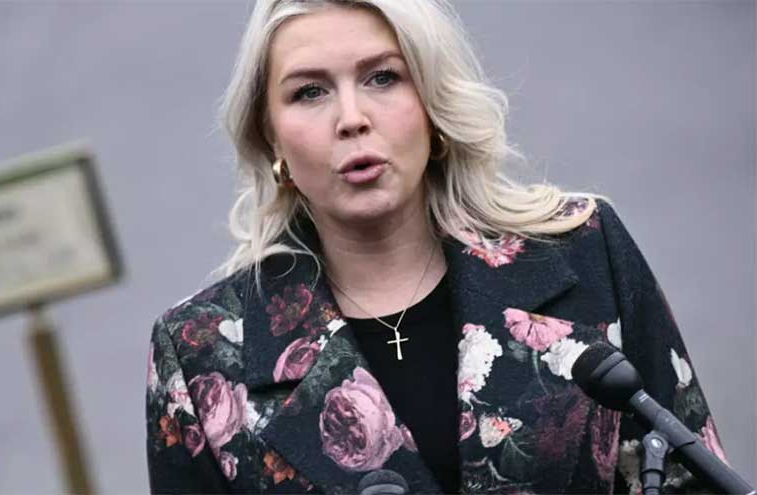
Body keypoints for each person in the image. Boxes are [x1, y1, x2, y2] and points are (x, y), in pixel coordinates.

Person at [146, 1, 729, 493]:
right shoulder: (202, 351)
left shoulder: (581, 248)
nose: (352, 118)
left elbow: (691, 475)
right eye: (310, 92)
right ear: (271, 136)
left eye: (383, 78)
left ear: (432, 103)